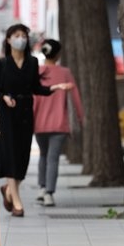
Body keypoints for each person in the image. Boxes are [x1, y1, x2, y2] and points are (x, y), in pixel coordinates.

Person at [0, 24, 72, 217]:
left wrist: (55, 87)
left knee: (22, 156)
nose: (21, 38)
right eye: (16, 35)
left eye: (24, 35)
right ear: (9, 39)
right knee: (10, 154)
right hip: (7, 114)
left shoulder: (33, 63)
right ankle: (17, 202)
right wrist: (3, 97)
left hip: (26, 114)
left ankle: (9, 190)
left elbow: (36, 88)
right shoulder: (2, 64)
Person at [34, 39, 84, 206]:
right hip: (60, 123)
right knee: (53, 158)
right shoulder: (65, 73)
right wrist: (80, 117)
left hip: (39, 123)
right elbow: (75, 98)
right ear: (57, 54)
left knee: (43, 155)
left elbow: (33, 99)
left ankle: (41, 188)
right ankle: (49, 192)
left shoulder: (37, 72)